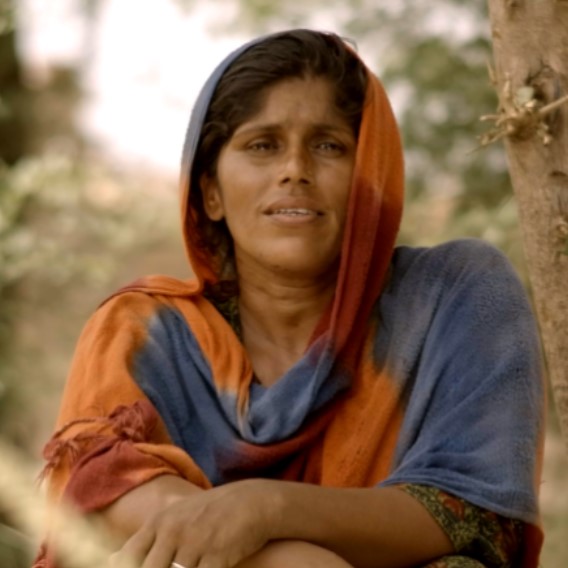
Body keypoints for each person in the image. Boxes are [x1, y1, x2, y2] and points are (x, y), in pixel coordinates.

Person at [33, 29, 545, 568]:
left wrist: (269, 507)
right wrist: (291, 557)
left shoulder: (455, 294)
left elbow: (474, 512)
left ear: (368, 175)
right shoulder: (147, 331)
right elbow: (105, 490)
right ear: (211, 193)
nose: (295, 169)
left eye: (328, 145)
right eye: (262, 145)